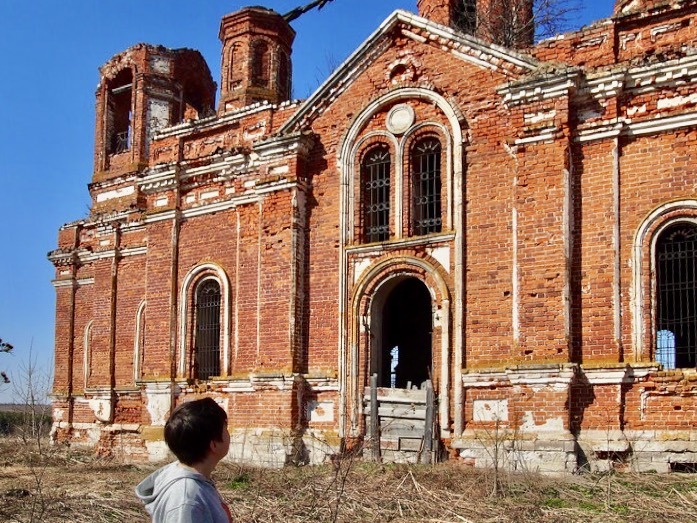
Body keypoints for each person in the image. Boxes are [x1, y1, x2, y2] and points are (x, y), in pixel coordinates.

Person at [136, 397, 233, 522]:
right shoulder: (186, 500)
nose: (228, 434)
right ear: (213, 444)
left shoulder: (197, 481)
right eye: (225, 429)